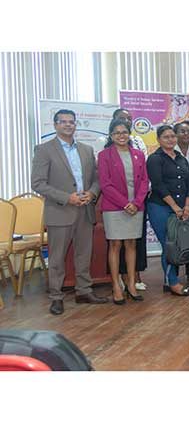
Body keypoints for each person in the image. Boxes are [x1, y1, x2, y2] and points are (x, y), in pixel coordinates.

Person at [31, 109, 107, 315]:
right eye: (63, 122)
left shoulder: (86, 149)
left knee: (84, 255)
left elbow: (97, 179)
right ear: (55, 125)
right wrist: (67, 197)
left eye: (71, 122)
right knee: (56, 258)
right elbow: (38, 183)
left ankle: (83, 291)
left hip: (85, 210)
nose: (67, 125)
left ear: (75, 125)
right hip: (60, 210)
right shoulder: (44, 150)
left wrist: (91, 194)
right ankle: (56, 297)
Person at [97, 119, 149, 305]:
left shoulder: (138, 155)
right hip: (114, 207)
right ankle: (116, 286)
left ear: (129, 134)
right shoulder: (104, 155)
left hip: (136, 207)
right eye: (117, 133)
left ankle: (131, 285)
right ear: (111, 136)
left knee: (131, 244)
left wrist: (136, 202)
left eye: (124, 132)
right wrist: (125, 204)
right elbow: (105, 184)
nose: (121, 135)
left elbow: (144, 181)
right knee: (115, 245)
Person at [146, 125, 189, 297]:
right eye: (166, 137)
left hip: (182, 208)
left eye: (173, 136)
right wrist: (175, 207)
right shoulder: (154, 159)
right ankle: (172, 282)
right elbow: (158, 185)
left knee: (178, 243)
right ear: (158, 140)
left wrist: (187, 206)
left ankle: (170, 279)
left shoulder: (181, 158)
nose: (170, 139)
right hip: (160, 207)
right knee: (169, 244)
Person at [173, 120, 189, 283]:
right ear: (175, 134)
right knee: (174, 236)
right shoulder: (168, 152)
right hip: (173, 200)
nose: (186, 134)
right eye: (182, 131)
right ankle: (173, 274)